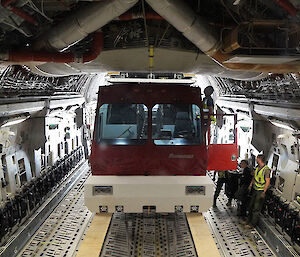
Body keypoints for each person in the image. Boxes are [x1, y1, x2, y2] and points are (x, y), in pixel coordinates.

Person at [245, 154, 270, 228]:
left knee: (256, 208)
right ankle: (248, 221)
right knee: (250, 205)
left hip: (260, 191)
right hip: (255, 189)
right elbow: (254, 177)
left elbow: (267, 181)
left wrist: (264, 192)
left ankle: (252, 224)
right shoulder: (257, 167)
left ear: (259, 159)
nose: (256, 159)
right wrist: (250, 185)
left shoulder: (266, 170)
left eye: (257, 158)